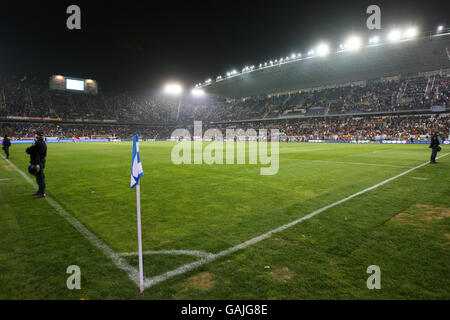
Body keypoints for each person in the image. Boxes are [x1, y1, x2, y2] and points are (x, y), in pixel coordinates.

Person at [26, 131, 47, 198]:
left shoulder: (37, 143)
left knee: (40, 178)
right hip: (41, 162)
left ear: (37, 136)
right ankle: (40, 192)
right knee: (39, 178)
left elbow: (28, 151)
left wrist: (33, 145)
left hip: (38, 162)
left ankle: (42, 193)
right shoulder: (43, 143)